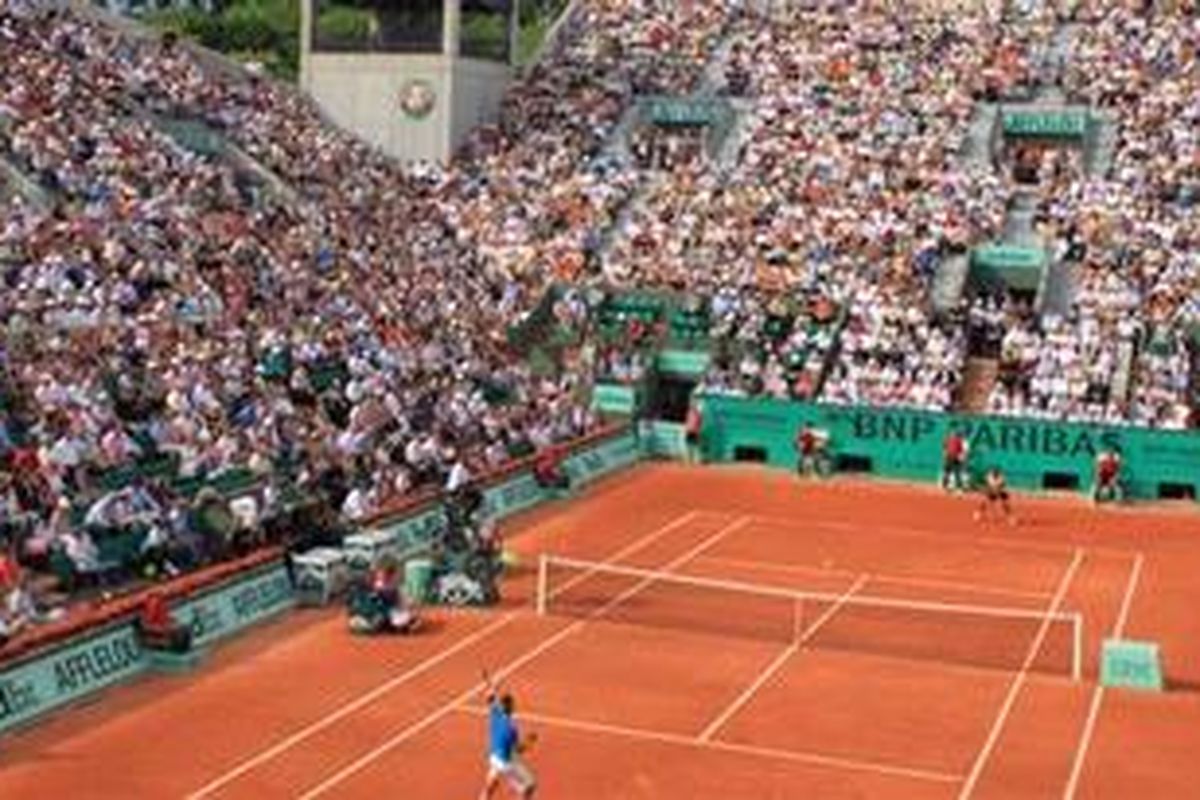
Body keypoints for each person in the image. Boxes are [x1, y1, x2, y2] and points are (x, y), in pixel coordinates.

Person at [479, 668, 537, 799]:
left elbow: (490, 695)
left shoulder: (495, 712)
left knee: (491, 785)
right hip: (506, 763)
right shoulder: (511, 728)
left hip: (493, 757)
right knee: (530, 785)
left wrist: (488, 682)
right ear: (510, 707)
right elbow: (518, 750)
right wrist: (530, 741)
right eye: (513, 704)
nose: (514, 706)